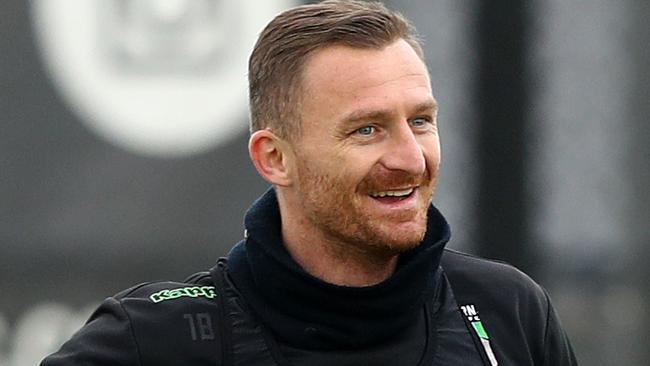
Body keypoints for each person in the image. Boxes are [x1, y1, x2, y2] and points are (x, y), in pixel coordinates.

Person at [41, 1, 577, 365]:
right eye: (367, 130)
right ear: (275, 158)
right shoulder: (154, 339)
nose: (410, 158)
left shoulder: (508, 312)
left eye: (420, 121)